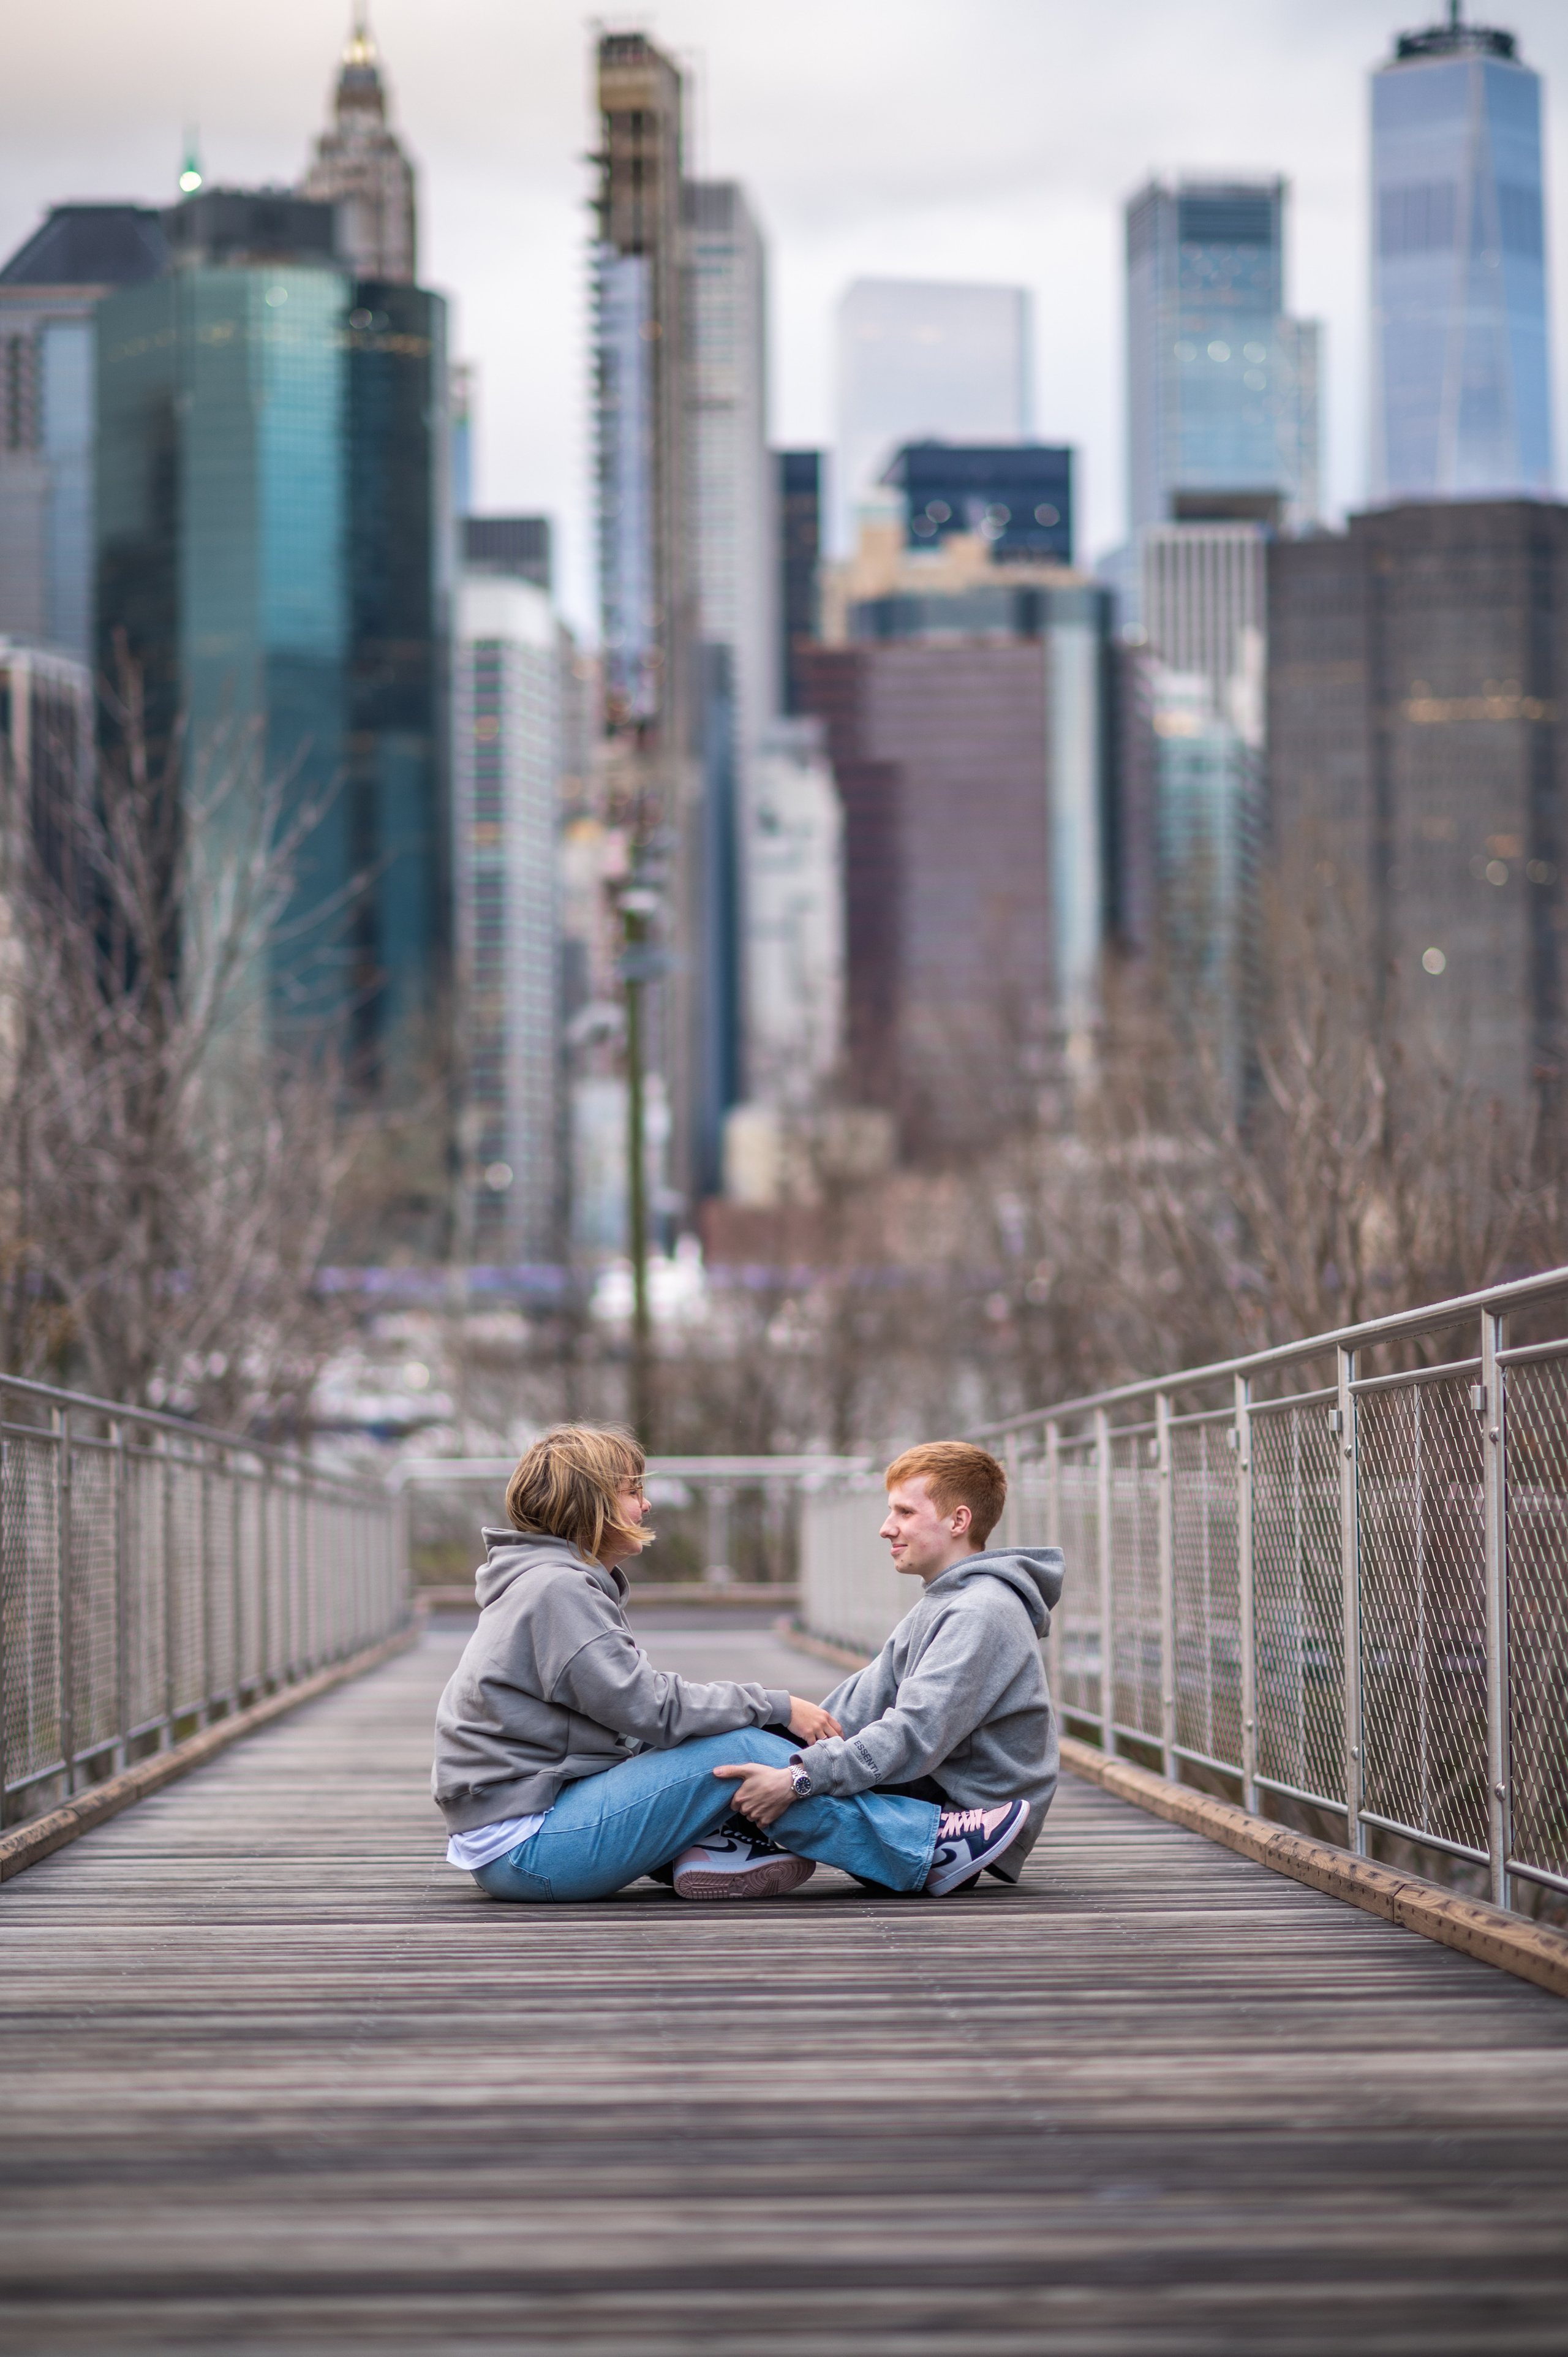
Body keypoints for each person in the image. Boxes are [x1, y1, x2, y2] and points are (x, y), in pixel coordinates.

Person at [431, 1424, 1023, 1905]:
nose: (646, 1502)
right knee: (726, 1754)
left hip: (523, 1831)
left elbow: (632, 1717)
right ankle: (926, 1848)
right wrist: (776, 1706)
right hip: (527, 1846)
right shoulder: (556, 1591)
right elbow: (651, 1709)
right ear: (591, 1503)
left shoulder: (549, 1584)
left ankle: (723, 1843)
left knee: (734, 1746)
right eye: (631, 1489)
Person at [673, 1440, 1060, 1896]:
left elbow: (913, 1734)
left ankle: (927, 1848)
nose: (885, 1528)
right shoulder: (944, 1601)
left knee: (761, 1773)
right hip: (925, 1787)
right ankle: (719, 1841)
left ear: (958, 1520)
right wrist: (772, 1733)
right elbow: (859, 1703)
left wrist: (798, 1775)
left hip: (958, 1814)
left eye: (904, 1512)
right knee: (737, 1747)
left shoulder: (982, 1611)